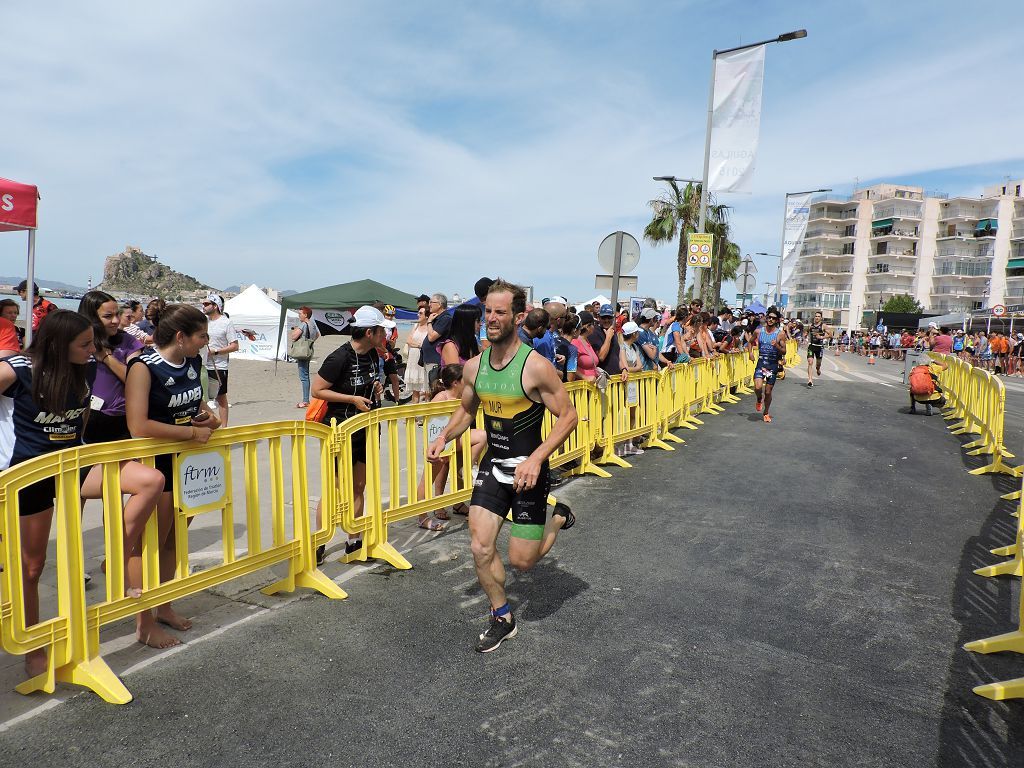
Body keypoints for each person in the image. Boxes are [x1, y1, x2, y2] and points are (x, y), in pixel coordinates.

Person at [2, 311, 167, 674]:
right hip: (28, 474)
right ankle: (33, 649)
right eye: (85, 344)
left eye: (92, 343)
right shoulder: (17, 369)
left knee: (149, 481)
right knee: (32, 567)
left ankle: (117, 561)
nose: (93, 350)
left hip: (73, 465)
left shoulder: (86, 368)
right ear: (58, 345)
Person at [428, 279, 578, 653]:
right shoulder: (474, 367)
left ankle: (555, 517)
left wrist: (537, 458)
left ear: (518, 316)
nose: (491, 319)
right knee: (480, 546)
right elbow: (466, 409)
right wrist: (444, 437)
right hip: (494, 464)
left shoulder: (536, 367)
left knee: (522, 563)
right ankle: (502, 617)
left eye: (500, 312)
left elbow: (569, 416)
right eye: (487, 312)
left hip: (530, 471)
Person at [126, 304, 220, 643]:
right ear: (181, 337)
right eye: (201, 337)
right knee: (148, 544)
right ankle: (143, 621)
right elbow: (138, 425)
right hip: (156, 462)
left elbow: (199, 406)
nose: (205, 343)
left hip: (187, 463)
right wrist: (191, 434)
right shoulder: (142, 366)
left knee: (174, 539)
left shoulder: (193, 362)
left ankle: (164, 605)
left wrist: (209, 419)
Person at [311, 306, 388, 564]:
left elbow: (369, 382)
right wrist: (352, 399)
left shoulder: (374, 355)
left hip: (365, 429)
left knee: (358, 485)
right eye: (381, 331)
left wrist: (375, 386)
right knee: (333, 488)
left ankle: (353, 540)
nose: (384, 335)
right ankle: (319, 543)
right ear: (369, 332)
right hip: (339, 428)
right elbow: (317, 390)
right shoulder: (339, 357)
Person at [415, 363, 487, 530]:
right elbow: (429, 422)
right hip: (439, 445)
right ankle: (422, 517)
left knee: (481, 436)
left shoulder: (463, 397)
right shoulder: (442, 397)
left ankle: (466, 470)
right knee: (427, 481)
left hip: (454, 441)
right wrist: (435, 446)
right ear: (456, 382)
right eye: (465, 380)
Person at [78, 291, 144, 443]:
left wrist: (107, 358)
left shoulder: (128, 341)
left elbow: (137, 380)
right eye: (108, 316)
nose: (115, 321)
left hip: (120, 417)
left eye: (117, 314)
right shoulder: (76, 343)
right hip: (84, 415)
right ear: (91, 317)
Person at [201, 294, 237, 426]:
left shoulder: (226, 322)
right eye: (203, 304)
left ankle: (225, 429)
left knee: (221, 398)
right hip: (202, 365)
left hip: (219, 366)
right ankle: (208, 427)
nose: (203, 306)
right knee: (201, 398)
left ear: (215, 306)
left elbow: (235, 345)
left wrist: (216, 352)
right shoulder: (203, 321)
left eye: (206, 304)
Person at [750, 306, 788, 424]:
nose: (770, 319)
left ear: (777, 320)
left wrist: (776, 346)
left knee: (768, 391)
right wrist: (750, 353)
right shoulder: (758, 331)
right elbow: (750, 342)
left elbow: (784, 351)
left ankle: (766, 412)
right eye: (769, 317)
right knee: (757, 387)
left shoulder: (780, 334)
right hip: (761, 363)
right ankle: (758, 399)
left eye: (773, 318)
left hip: (772, 365)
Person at [289, 306, 320, 408]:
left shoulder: (303, 324)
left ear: (305, 315)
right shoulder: (312, 324)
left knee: (303, 376)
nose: (299, 316)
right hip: (308, 350)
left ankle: (305, 400)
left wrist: (295, 330)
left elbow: (294, 336)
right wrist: (310, 342)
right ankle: (306, 399)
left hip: (302, 351)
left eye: (300, 314)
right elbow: (317, 335)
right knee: (305, 375)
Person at [420, 293, 451, 389]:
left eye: (431, 302)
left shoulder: (445, 318)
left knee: (434, 389)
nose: (429, 305)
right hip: (429, 360)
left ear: (440, 304)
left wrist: (429, 322)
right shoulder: (436, 318)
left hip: (435, 361)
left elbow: (432, 337)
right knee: (428, 390)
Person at [440, 303, 481, 368]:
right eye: (477, 321)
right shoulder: (451, 346)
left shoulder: (473, 341)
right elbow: (455, 375)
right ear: (466, 322)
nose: (480, 324)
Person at [404, 306, 431, 404]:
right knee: (415, 391)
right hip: (413, 361)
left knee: (427, 391)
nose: (418, 315)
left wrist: (416, 344)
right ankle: (414, 417)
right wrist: (419, 345)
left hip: (424, 361)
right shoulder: (415, 326)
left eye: (420, 313)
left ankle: (427, 416)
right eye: (418, 312)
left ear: (427, 316)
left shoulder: (430, 327)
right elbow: (408, 340)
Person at [589, 304, 622, 375]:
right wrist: (608, 338)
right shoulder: (594, 333)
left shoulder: (613, 332)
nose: (606, 320)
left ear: (613, 318)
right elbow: (601, 357)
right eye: (604, 317)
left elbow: (618, 355)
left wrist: (624, 369)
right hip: (603, 380)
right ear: (599, 318)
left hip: (616, 379)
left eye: (609, 317)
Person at [571, 311, 601, 382]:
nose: (595, 327)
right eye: (593, 324)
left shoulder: (586, 340)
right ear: (587, 327)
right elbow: (570, 365)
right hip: (581, 388)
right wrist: (584, 377)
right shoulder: (575, 342)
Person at [805, 311, 830, 387]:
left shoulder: (823, 326)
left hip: (819, 347)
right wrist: (805, 335)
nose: (817, 317)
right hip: (811, 346)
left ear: (821, 318)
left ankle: (818, 369)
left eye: (818, 316)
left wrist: (821, 337)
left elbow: (830, 335)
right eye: (816, 316)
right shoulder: (811, 326)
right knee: (810, 362)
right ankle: (810, 380)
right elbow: (806, 332)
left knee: (818, 364)